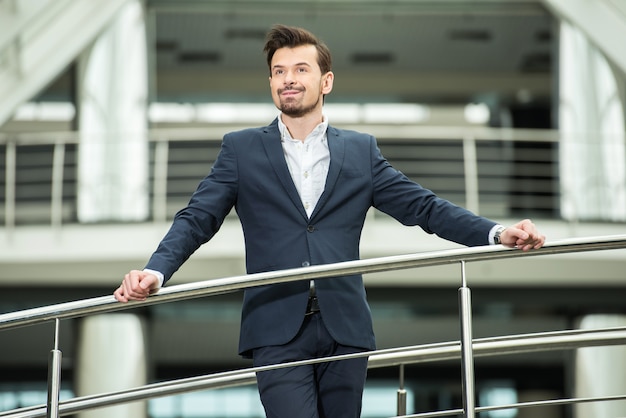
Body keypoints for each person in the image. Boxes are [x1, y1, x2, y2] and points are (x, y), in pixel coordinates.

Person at [114, 24, 545, 418]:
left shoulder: (360, 150)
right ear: (270, 82)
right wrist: (157, 270)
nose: (288, 79)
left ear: (326, 81)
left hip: (345, 326)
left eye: (301, 69)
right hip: (276, 328)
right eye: (279, 71)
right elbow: (196, 219)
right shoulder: (241, 150)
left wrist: (495, 233)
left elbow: (424, 208)